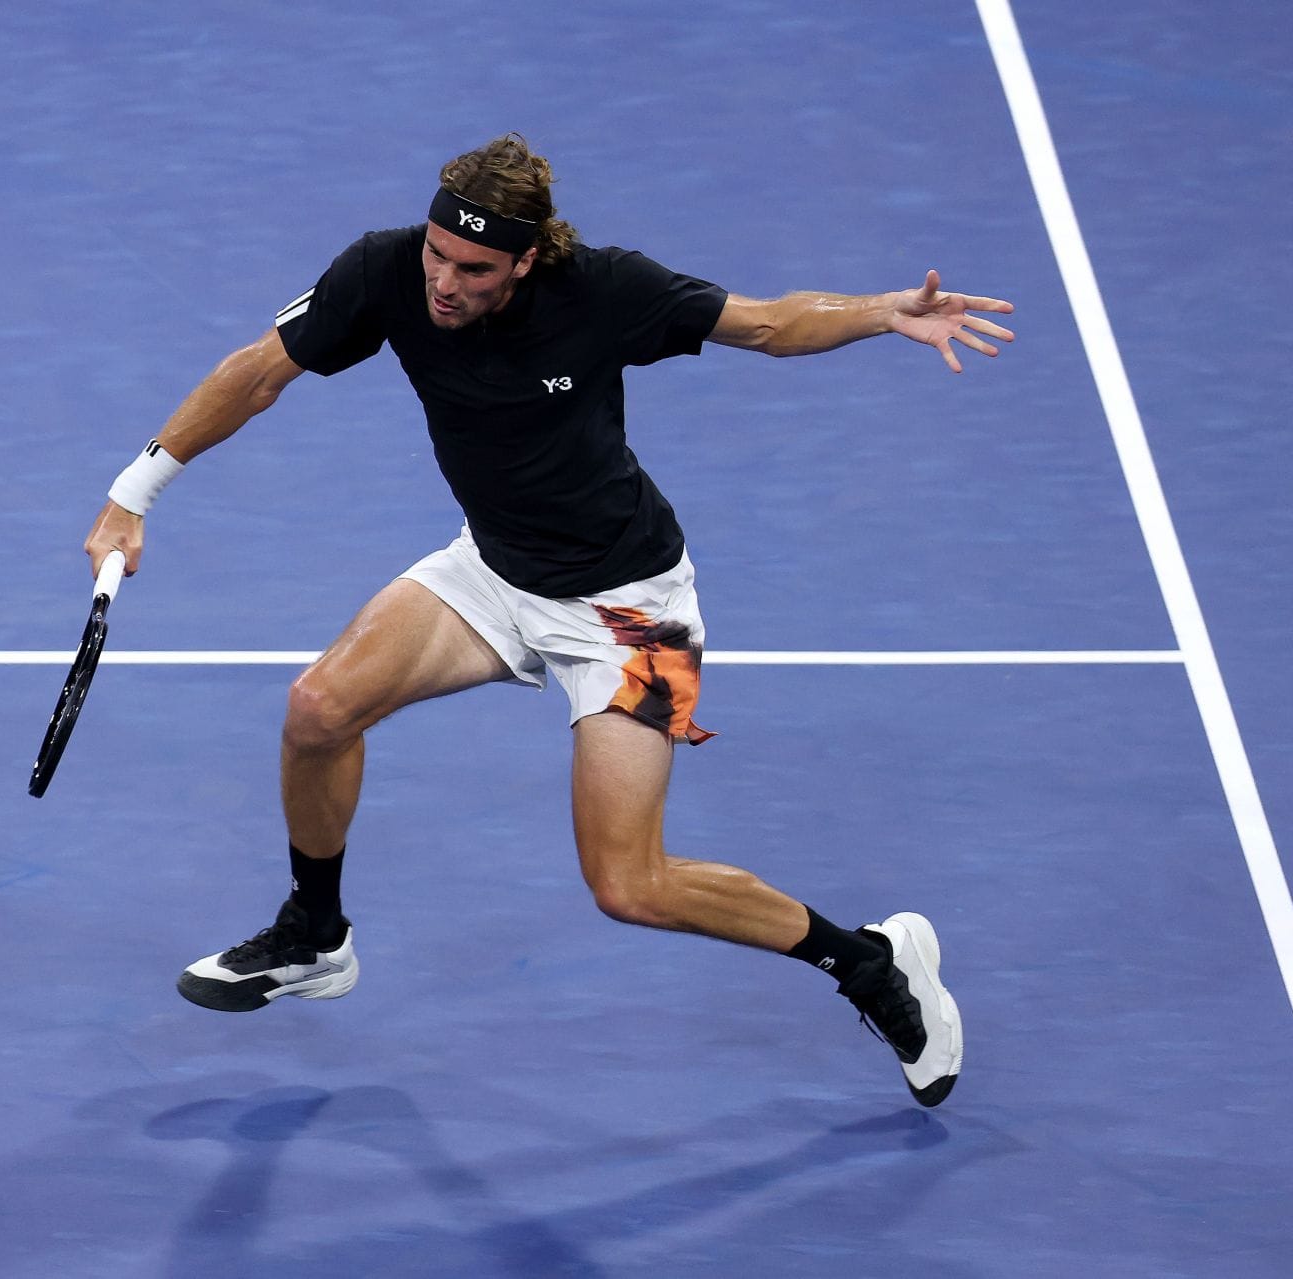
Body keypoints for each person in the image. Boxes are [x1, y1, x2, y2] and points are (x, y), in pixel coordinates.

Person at [82, 135, 1013, 1107]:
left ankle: (871, 960)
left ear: (528, 259)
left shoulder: (604, 292)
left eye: (473, 268)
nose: (444, 281)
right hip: (491, 571)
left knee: (630, 884)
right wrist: (134, 492)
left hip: (632, 617)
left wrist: (883, 312)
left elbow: (770, 325)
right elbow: (259, 371)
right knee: (318, 708)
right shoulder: (388, 271)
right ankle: (316, 935)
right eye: (439, 253)